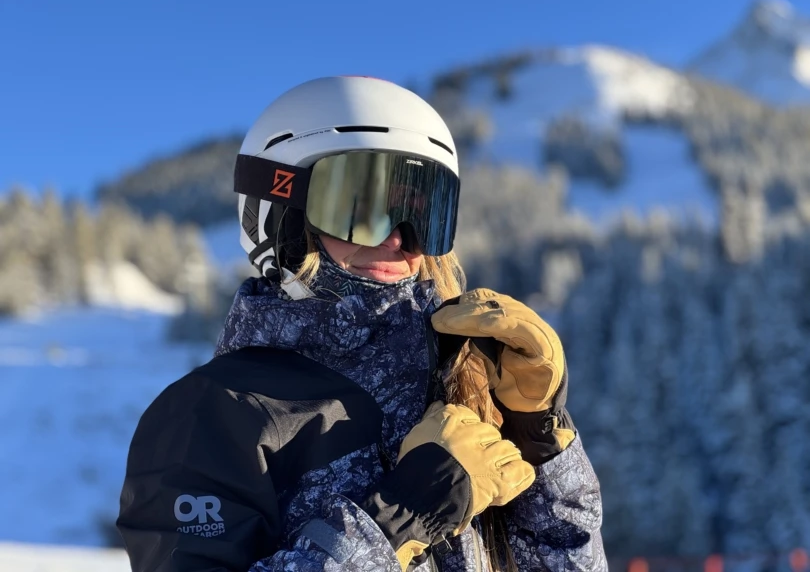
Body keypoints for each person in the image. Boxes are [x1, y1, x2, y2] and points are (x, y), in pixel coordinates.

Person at [117, 76, 606, 572]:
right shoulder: (211, 413)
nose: (400, 240)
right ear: (282, 211)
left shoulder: (457, 386)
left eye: (423, 214)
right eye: (363, 209)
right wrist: (401, 519)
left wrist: (538, 434)